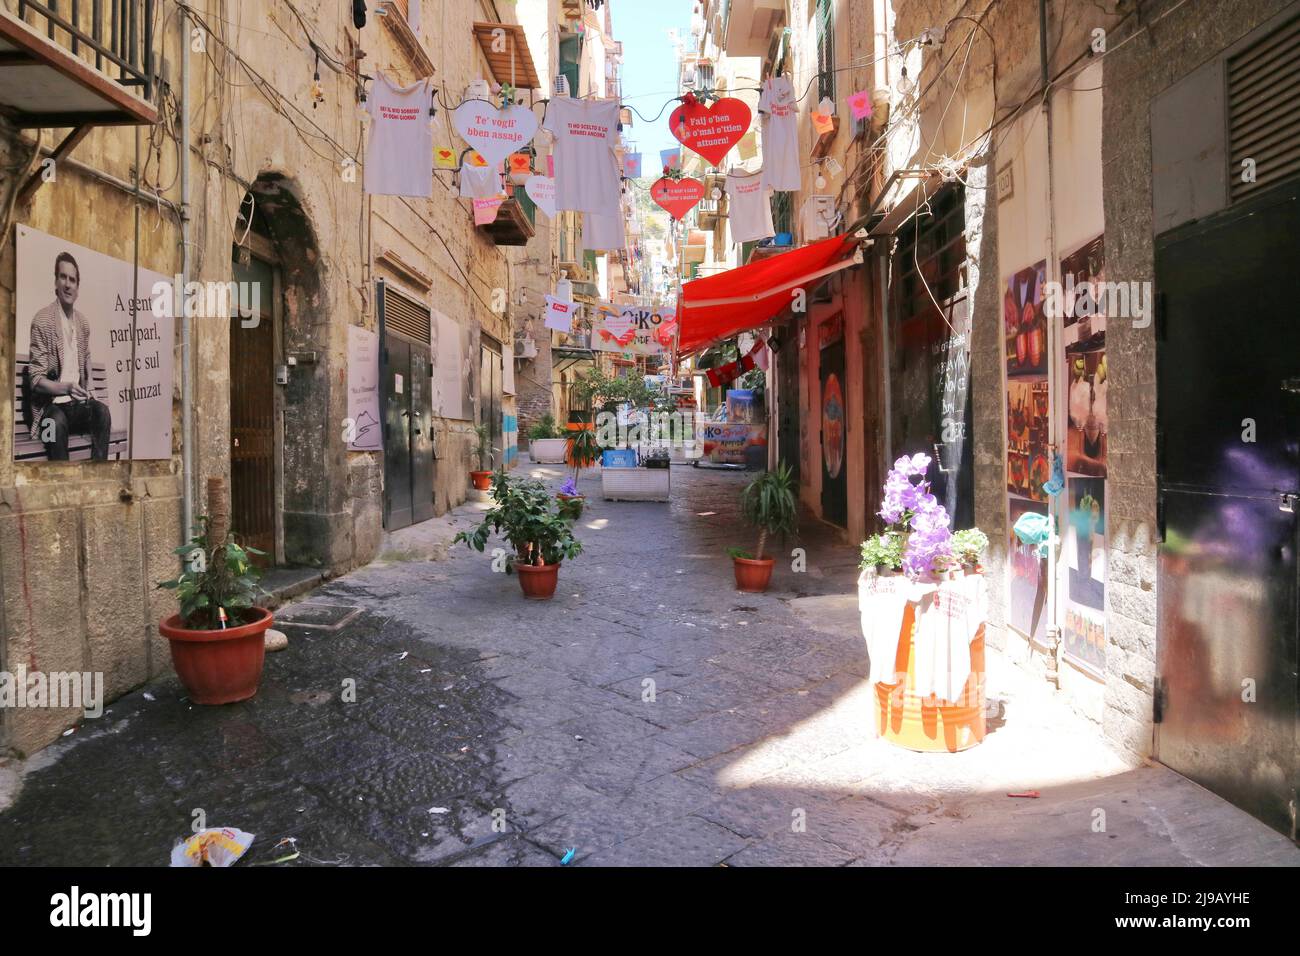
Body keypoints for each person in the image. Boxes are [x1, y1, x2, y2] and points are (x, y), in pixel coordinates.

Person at [26, 251, 112, 460]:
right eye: (62, 277)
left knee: (102, 412)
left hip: (76, 407)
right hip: (50, 409)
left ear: (77, 288)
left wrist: (89, 384)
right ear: (55, 283)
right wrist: (66, 387)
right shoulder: (42, 320)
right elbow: (35, 380)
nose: (67, 284)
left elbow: (87, 355)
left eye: (72, 280)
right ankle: (61, 484)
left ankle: (98, 478)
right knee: (55, 424)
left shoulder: (82, 323)